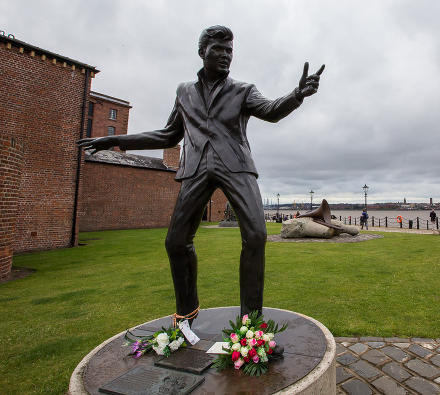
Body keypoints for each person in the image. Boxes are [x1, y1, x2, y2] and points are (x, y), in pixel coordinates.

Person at [77, 25, 324, 324]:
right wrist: (115, 141)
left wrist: (297, 94)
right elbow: (168, 135)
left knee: (257, 236)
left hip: (236, 166)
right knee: (176, 242)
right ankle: (186, 316)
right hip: (195, 169)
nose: (225, 56)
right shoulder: (184, 92)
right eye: (218, 49)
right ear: (202, 52)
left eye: (229, 51)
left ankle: (250, 326)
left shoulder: (243, 90)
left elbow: (271, 110)